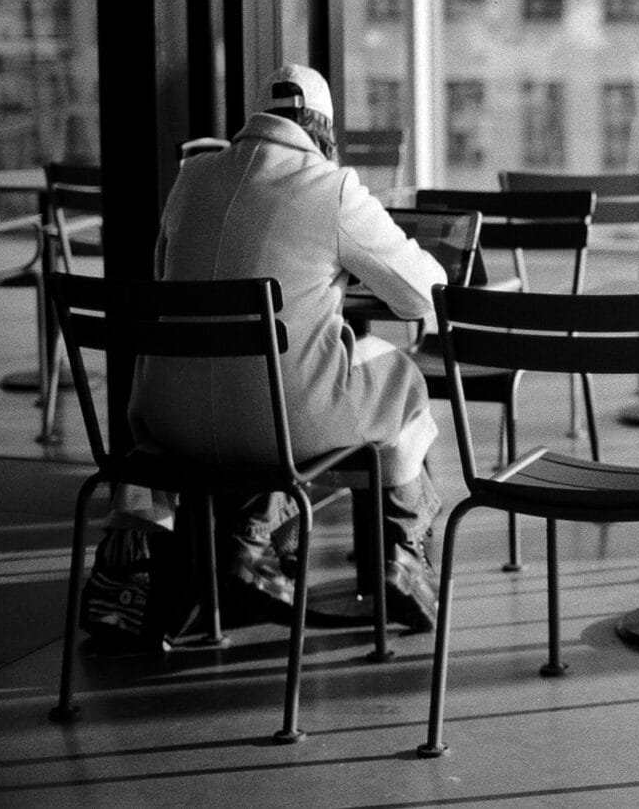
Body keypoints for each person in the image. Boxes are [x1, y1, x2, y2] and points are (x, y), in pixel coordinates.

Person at [108, 64, 446, 634]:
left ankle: (164, 554)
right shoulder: (332, 186)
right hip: (275, 429)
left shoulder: (192, 178)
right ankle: (403, 554)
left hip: (165, 428)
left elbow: (166, 275)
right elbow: (420, 296)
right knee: (399, 379)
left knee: (254, 380)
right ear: (324, 134)